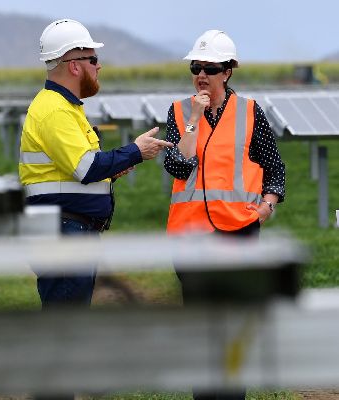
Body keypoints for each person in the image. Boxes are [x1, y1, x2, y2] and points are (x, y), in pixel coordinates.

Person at [164, 30, 286, 400]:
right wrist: (194, 119)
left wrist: (267, 206)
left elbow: (274, 168)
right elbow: (177, 165)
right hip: (191, 237)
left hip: (239, 233)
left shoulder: (250, 112)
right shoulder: (180, 111)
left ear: (228, 71)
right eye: (195, 67)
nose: (201, 75)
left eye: (210, 68)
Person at [19, 18, 172, 309]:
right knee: (67, 327)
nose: (99, 66)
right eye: (93, 59)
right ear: (74, 65)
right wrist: (135, 151)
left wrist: (111, 172)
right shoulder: (55, 110)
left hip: (66, 230)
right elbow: (86, 168)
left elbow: (73, 171)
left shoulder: (65, 107)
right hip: (63, 233)